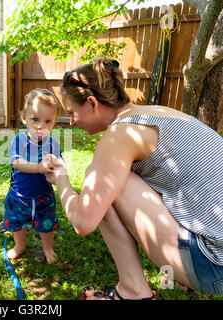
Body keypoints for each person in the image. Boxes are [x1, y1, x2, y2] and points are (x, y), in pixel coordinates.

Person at [45, 57, 223, 299]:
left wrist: (61, 178)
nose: (72, 121)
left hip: (213, 264)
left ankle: (132, 290)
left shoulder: (121, 132)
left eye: (72, 113)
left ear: (91, 103)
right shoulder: (157, 113)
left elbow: (83, 222)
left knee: (101, 179)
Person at [3, 88, 63, 264]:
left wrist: (55, 165)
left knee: (46, 223)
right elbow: (16, 162)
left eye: (47, 121)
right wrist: (38, 167)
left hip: (43, 195)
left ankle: (47, 248)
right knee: (18, 222)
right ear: (24, 118)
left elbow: (59, 165)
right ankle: (20, 245)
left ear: (53, 123)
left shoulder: (53, 144)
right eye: (35, 119)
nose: (40, 126)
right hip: (19, 194)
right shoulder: (18, 141)